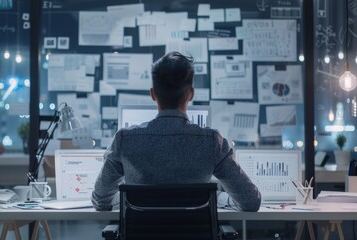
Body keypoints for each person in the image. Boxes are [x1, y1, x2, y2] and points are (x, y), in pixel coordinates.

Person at [91, 51, 261, 211]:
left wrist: (130, 198)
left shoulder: (124, 140)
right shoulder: (212, 142)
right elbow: (250, 201)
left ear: (153, 94)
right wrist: (216, 199)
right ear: (191, 94)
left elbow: (101, 201)